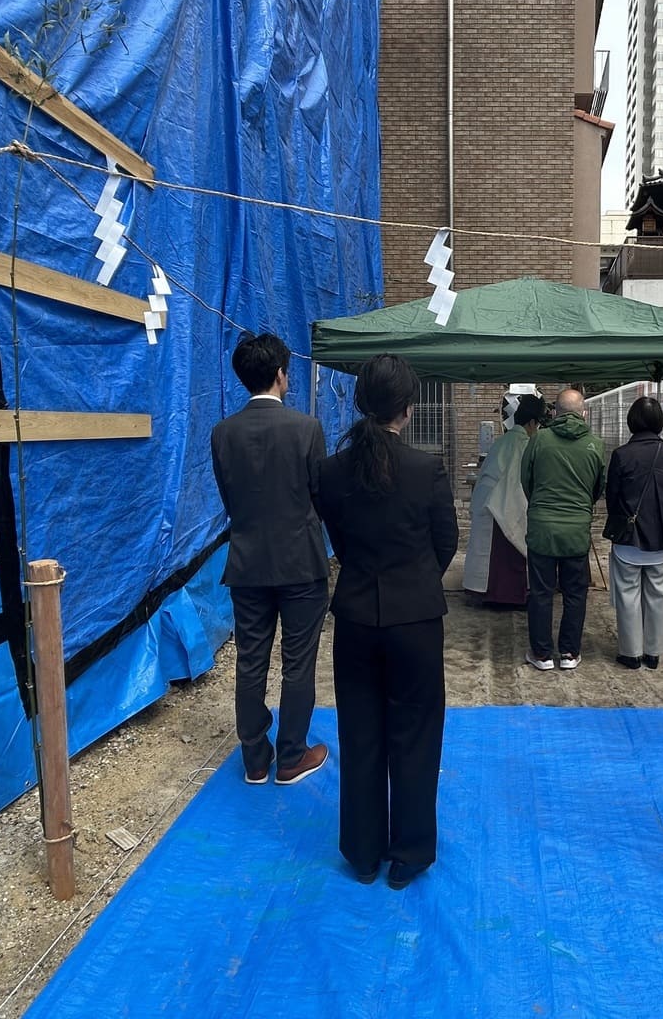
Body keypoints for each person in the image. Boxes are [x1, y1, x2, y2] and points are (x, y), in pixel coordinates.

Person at [317, 354, 459, 890]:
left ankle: (362, 850)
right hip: (415, 621)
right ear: (408, 407)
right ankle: (410, 852)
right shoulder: (426, 469)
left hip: (356, 617)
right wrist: (417, 582)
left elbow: (339, 541)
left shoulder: (331, 471)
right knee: (417, 736)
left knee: (360, 734)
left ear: (361, 403)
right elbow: (445, 540)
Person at [209, 332, 330, 787]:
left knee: (250, 659)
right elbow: (320, 497)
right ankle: (292, 755)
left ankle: (255, 759)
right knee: (298, 661)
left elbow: (229, 499)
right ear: (281, 374)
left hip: (247, 563)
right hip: (301, 563)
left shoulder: (223, 433)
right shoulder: (306, 428)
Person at [520, 388, 606, 671]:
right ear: (584, 414)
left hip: (542, 528)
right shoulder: (595, 444)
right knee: (575, 593)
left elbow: (526, 479)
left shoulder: (539, 440)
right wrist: (582, 508)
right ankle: (569, 652)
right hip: (576, 530)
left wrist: (539, 505)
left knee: (541, 592)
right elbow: (598, 487)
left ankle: (542, 654)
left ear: (554, 412)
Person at [603, 396, 663, 670]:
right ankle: (653, 652)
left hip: (629, 538)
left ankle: (631, 653)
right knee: (659, 595)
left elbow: (612, 497)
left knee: (628, 595)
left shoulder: (621, 455)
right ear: (660, 422)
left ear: (631, 422)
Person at [464, 394, 547, 606]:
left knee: (489, 556)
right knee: (508, 552)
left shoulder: (503, 441)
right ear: (532, 423)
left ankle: (485, 592)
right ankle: (507, 595)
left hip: (488, 502)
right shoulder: (524, 444)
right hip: (502, 504)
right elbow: (516, 484)